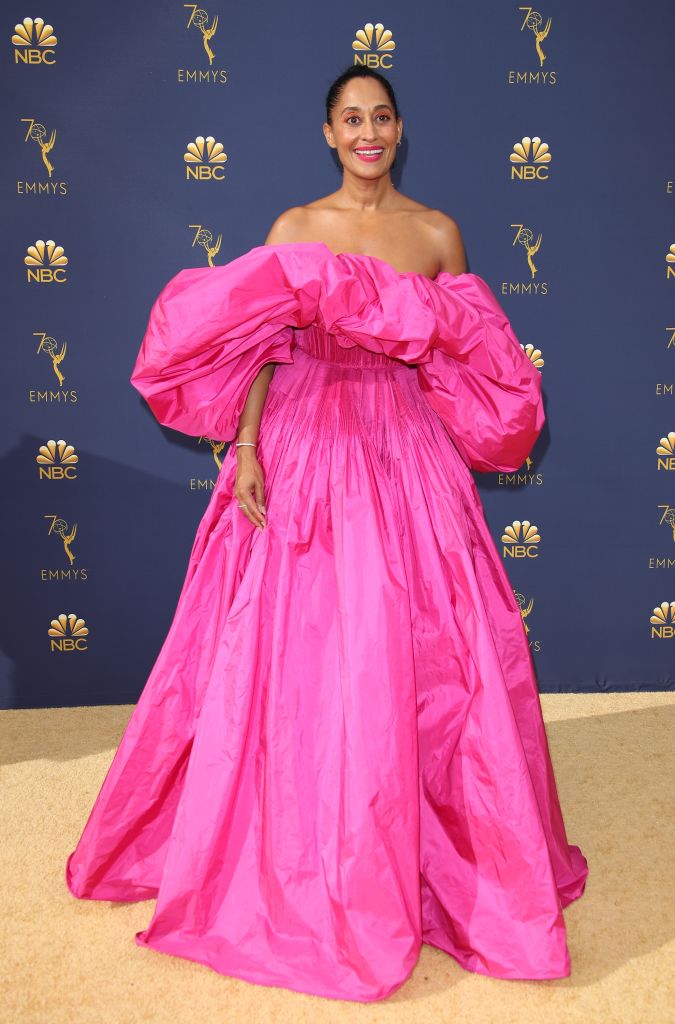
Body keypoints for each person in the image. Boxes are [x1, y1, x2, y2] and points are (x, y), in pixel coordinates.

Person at [65, 65, 588, 1003]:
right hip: (303, 443)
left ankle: (431, 857)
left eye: (380, 116)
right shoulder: (294, 229)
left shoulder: (437, 234)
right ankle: (296, 846)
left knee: (422, 651)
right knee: (292, 650)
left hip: (403, 449)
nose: (366, 132)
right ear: (328, 133)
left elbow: (467, 353)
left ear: (400, 128)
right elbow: (264, 348)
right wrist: (248, 447)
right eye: (351, 119)